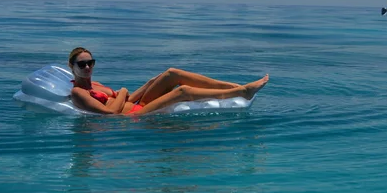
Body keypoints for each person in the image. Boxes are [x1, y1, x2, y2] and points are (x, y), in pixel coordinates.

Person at [67, 47, 269, 116]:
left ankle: (238, 86)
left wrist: (149, 83)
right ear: (72, 66)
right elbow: (110, 114)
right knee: (183, 91)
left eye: (90, 63)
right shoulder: (79, 93)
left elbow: (129, 97)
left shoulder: (97, 85)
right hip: (130, 118)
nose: (87, 67)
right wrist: (121, 92)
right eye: (82, 64)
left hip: (136, 105)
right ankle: (243, 92)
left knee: (172, 73)